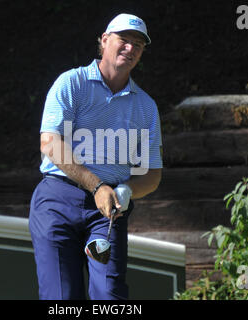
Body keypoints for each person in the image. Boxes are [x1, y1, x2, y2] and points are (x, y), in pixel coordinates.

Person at [29, 13, 163, 300]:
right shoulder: (71, 83)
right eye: (124, 40)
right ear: (104, 41)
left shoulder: (146, 107)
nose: (130, 48)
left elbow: (152, 174)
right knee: (61, 298)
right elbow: (50, 143)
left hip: (109, 211)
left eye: (138, 45)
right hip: (57, 200)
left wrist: (127, 189)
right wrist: (97, 185)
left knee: (110, 296)